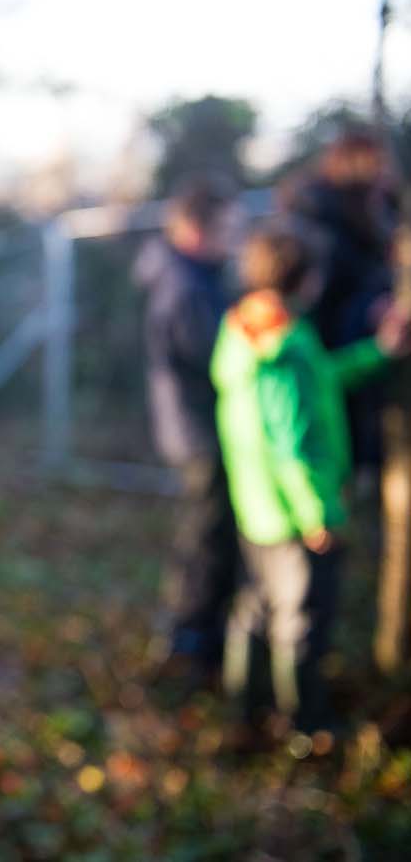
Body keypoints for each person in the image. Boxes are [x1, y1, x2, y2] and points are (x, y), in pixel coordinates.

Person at [212, 226, 409, 736]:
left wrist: (379, 352)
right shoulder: (286, 349)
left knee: (255, 607)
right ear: (307, 281)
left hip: (256, 506)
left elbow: (321, 380)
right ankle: (305, 723)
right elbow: (291, 447)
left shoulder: (248, 332)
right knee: (298, 621)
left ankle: (245, 707)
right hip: (293, 516)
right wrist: (318, 515)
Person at [133, 175, 241, 676]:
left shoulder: (189, 277)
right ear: (196, 230)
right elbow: (216, 358)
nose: (234, 239)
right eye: (227, 228)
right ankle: (191, 642)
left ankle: (194, 636)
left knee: (205, 536)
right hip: (202, 433)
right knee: (205, 539)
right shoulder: (186, 284)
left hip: (196, 430)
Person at [280, 128, 396, 476]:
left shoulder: (365, 210)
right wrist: (371, 307)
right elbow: (328, 295)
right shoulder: (322, 220)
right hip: (342, 360)